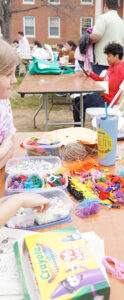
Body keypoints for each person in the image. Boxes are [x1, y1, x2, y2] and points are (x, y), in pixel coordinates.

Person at [0, 39, 50, 225]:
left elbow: (10, 142)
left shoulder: (3, 102)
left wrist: (6, 148)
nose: (14, 80)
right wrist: (19, 200)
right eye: (8, 75)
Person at [72, 43, 124, 124]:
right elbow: (103, 80)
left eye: (109, 56)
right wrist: (91, 74)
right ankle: (78, 125)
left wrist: (93, 86)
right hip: (102, 96)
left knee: (79, 106)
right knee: (76, 100)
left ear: (116, 56)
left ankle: (78, 129)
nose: (107, 59)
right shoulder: (112, 66)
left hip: (107, 101)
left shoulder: (119, 69)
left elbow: (110, 86)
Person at [89, 0, 124, 75]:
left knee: (100, 85)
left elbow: (95, 37)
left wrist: (87, 38)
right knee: (110, 85)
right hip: (115, 61)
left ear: (105, 6)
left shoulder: (103, 18)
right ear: (116, 7)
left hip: (102, 61)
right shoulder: (121, 22)